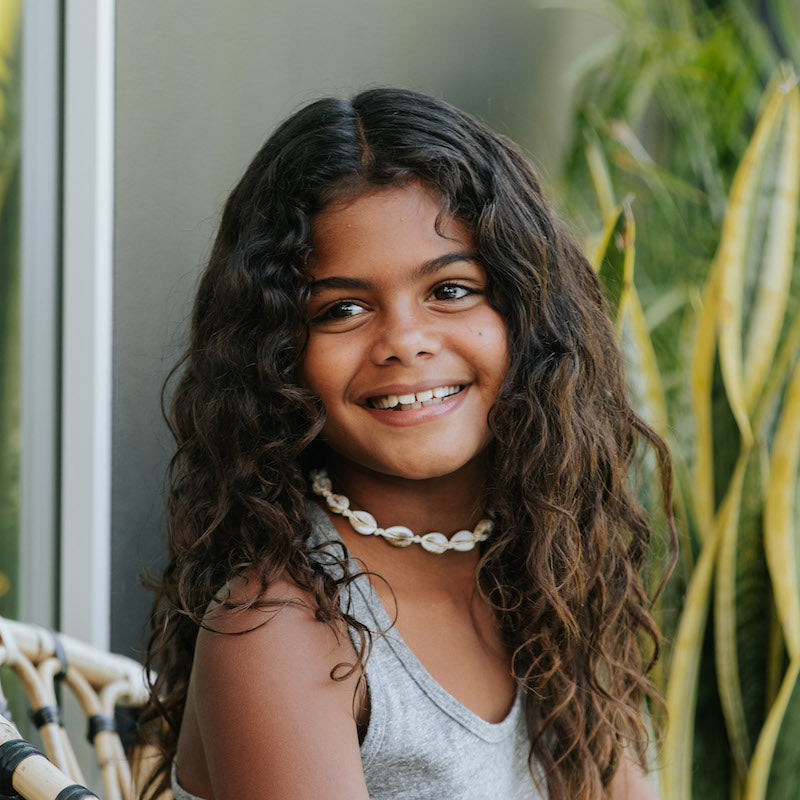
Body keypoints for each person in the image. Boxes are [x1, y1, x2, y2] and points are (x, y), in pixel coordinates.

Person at [139, 87, 675, 800]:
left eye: (450, 290)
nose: (405, 341)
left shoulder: (541, 564)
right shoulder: (283, 629)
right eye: (343, 308)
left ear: (529, 315)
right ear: (276, 358)